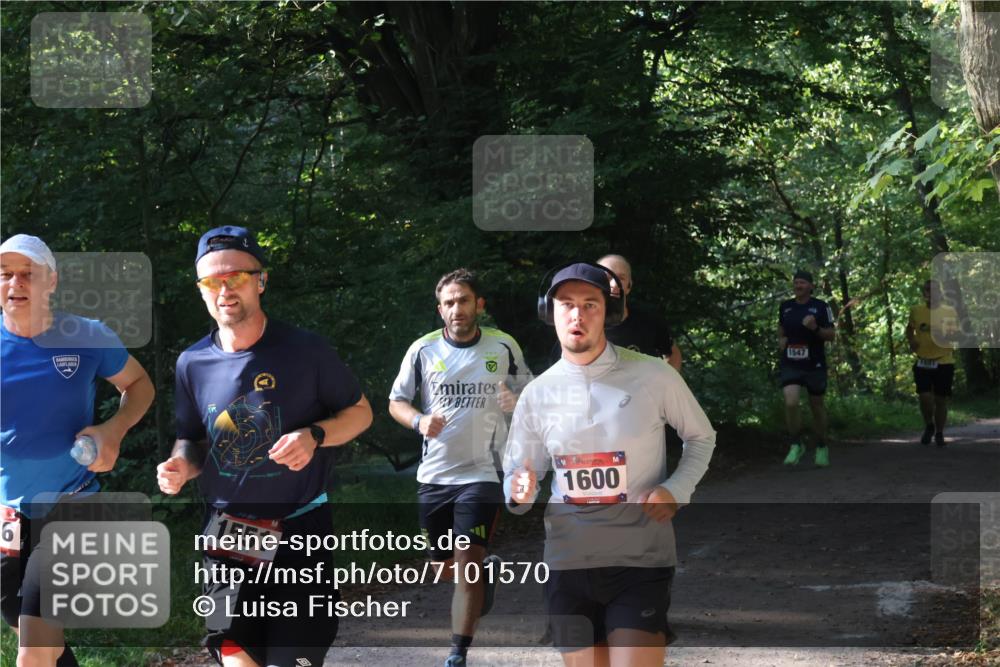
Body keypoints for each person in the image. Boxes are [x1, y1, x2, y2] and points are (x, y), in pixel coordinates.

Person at [155, 226, 373, 667]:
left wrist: (314, 436)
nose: (224, 289)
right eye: (212, 281)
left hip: (300, 529)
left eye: (235, 276)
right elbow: (193, 439)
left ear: (261, 280)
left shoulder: (305, 350)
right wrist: (181, 464)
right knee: (230, 646)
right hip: (228, 533)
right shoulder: (191, 363)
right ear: (201, 290)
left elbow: (361, 412)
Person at [504, 262, 715, 667]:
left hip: (640, 561)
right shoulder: (537, 394)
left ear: (610, 313)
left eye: (590, 304)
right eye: (566, 304)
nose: (577, 315)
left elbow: (701, 436)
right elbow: (520, 480)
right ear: (550, 313)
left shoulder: (654, 375)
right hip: (567, 562)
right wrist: (518, 490)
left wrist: (676, 488)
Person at [0, 234, 155, 667]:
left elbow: (139, 385)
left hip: (71, 504)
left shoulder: (87, 336)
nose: (15, 283)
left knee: (32, 651)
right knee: (32, 632)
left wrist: (114, 430)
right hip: (7, 514)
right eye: (5, 273)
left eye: (28, 273)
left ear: (52, 280)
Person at [389, 268, 531, 667]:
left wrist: (516, 401)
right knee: (441, 568)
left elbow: (530, 390)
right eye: (449, 302)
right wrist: (418, 420)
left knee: (467, 557)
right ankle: (485, 573)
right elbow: (396, 402)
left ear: (479, 304)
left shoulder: (502, 346)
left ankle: (457, 654)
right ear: (440, 310)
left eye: (464, 300)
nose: (457, 309)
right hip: (434, 475)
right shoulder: (423, 350)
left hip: (482, 472)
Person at [778, 270, 836, 468]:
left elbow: (831, 335)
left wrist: (816, 329)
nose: (798, 286)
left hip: (814, 363)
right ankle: (796, 443)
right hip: (791, 362)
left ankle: (821, 446)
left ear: (811, 286)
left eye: (802, 282)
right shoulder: (786, 307)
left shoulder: (821, 307)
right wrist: (782, 339)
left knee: (816, 406)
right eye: (796, 282)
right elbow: (781, 329)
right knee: (791, 401)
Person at [597, 254, 682, 372]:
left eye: (621, 278)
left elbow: (672, 353)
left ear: (629, 286)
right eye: (608, 277)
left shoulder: (649, 321)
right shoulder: (582, 324)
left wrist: (666, 384)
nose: (614, 284)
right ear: (595, 284)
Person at [905, 279, 958, 447]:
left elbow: (953, 336)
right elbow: (909, 329)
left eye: (934, 290)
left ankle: (940, 433)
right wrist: (912, 341)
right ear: (924, 294)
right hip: (923, 361)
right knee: (925, 397)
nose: (931, 293)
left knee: (941, 400)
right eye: (927, 290)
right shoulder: (916, 311)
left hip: (944, 361)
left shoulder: (949, 312)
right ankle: (929, 424)